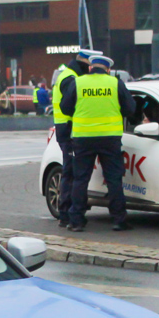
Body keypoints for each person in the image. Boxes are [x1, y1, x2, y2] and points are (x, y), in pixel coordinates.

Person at [59, 54, 136, 233]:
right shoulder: (115, 84)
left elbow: (65, 108)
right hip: (110, 138)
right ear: (107, 70)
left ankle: (76, 220)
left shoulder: (78, 83)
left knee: (80, 179)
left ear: (90, 67)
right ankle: (118, 220)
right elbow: (130, 108)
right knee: (114, 179)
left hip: (83, 138)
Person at [50, 49, 93, 228]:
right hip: (68, 129)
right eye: (89, 67)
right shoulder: (70, 79)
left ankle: (67, 212)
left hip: (65, 128)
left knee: (71, 171)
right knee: (71, 171)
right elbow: (73, 105)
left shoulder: (69, 75)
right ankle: (66, 213)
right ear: (84, 64)